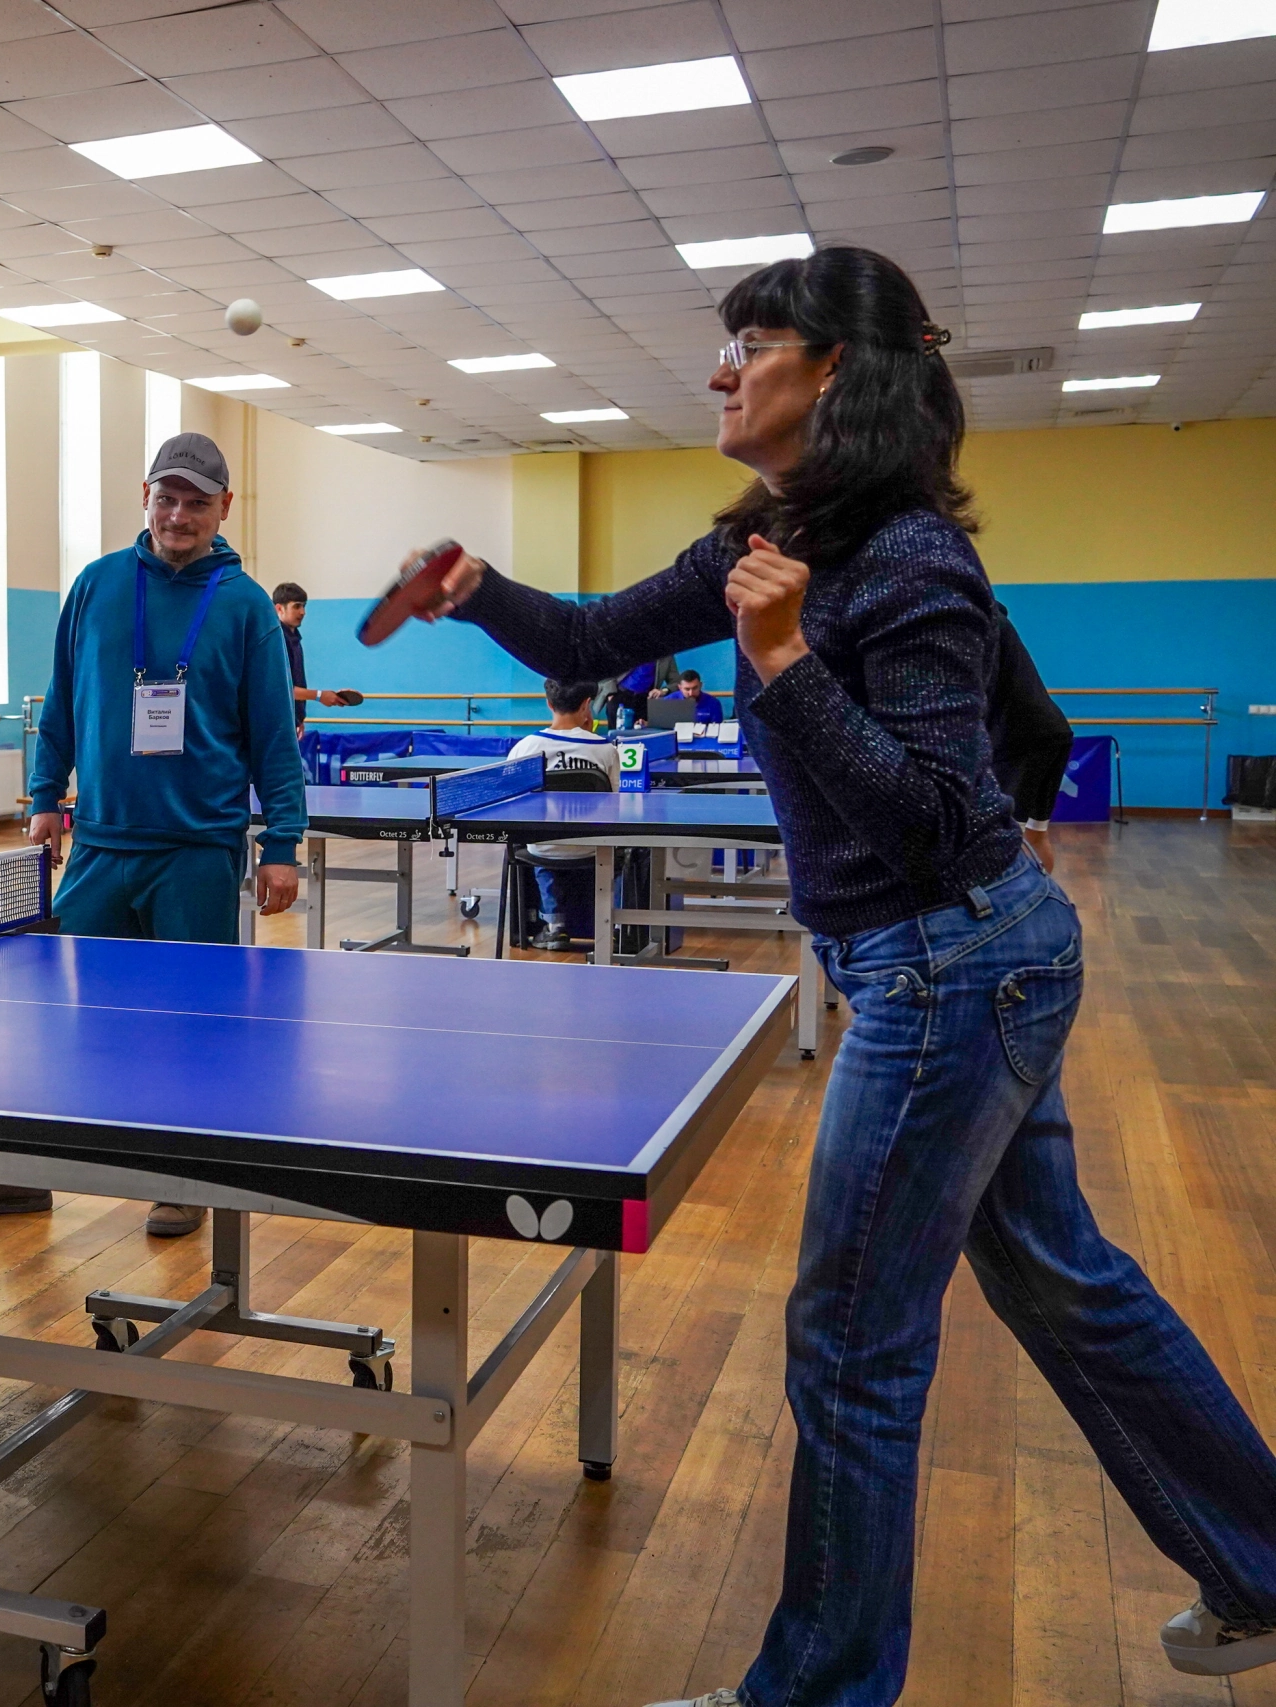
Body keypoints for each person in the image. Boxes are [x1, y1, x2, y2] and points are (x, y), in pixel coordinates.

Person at [377, 247, 1276, 1699]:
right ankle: (1266, 1564)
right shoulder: (766, 534)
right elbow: (593, 638)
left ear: (836, 370)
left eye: (751, 345)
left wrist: (785, 659)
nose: (720, 370)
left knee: (854, 1343)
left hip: (950, 963)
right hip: (954, 957)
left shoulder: (909, 560)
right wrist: (478, 589)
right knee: (1065, 1284)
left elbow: (932, 820)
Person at [0, 433, 305, 1240]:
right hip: (99, 846)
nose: (179, 515)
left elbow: (275, 736)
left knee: (193, 1026)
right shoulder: (97, 585)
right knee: (64, 1022)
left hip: (197, 851)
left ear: (224, 508)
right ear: (145, 496)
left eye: (197, 502)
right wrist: (44, 795)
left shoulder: (245, 607)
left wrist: (282, 842)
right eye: (167, 498)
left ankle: (182, 1179)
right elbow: (62, 699)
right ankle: (23, 1174)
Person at [503, 680, 618, 950]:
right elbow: (616, 805)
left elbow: (509, 803)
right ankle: (606, 926)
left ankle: (555, 927)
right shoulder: (605, 749)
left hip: (543, 846)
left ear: (549, 704)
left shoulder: (525, 747)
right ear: (587, 705)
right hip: (593, 847)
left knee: (540, 844)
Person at [988, 603, 1073, 873]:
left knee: (1002, 841)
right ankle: (1044, 896)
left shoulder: (974, 624)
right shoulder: (995, 619)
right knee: (1036, 835)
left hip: (1020, 739)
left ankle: (1016, 899)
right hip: (1053, 732)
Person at [270, 582, 352, 728]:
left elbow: (296, 682)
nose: (303, 612)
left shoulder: (294, 639)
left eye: (304, 606)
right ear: (279, 608)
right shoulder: (276, 641)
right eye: (296, 606)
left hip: (290, 722)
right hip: (275, 723)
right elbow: (280, 689)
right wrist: (320, 695)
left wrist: (298, 719)